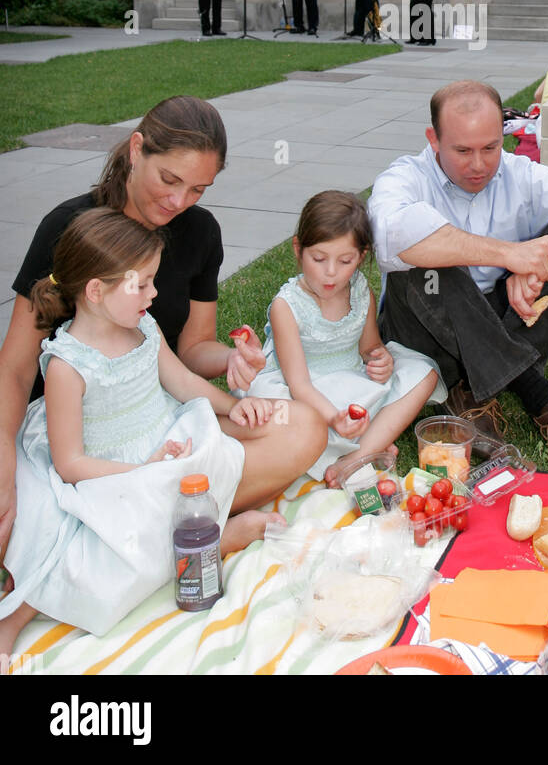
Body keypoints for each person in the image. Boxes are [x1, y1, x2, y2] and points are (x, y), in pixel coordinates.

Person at [0, 96, 327, 569]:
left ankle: (143, 531)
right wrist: (5, 458)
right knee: (18, 530)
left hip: (159, 417)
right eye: (169, 180)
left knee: (302, 426)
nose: (178, 202)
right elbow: (14, 366)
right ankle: (191, 532)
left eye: (198, 189)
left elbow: (193, 350)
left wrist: (231, 363)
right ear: (137, 150)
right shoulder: (69, 229)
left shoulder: (198, 232)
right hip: (77, 434)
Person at [0, 208, 282, 654]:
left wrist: (234, 406)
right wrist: (139, 471)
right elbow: (70, 463)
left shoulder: (143, 326)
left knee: (201, 471)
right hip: (98, 468)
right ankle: (15, 616)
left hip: (155, 438)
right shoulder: (68, 366)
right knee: (84, 548)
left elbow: (183, 382)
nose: (154, 293)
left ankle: (202, 539)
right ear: (95, 291)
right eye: (143, 283)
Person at [369, 81, 548, 470]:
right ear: (434, 139)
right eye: (462, 150)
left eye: (490, 148)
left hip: (500, 314)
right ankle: (535, 391)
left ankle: (471, 392)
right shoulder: (407, 176)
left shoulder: (520, 174)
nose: (479, 165)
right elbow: (392, 233)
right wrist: (513, 255)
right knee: (424, 254)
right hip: (426, 331)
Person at [246, 191, 444, 487]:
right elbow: (298, 384)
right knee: (287, 420)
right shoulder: (286, 306)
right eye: (319, 258)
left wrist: (381, 360)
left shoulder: (361, 290)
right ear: (298, 250)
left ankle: (357, 456)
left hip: (353, 380)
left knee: (424, 374)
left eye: (345, 261)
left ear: (361, 257)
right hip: (305, 393)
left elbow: (369, 347)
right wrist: (333, 417)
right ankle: (366, 443)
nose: (330, 272)